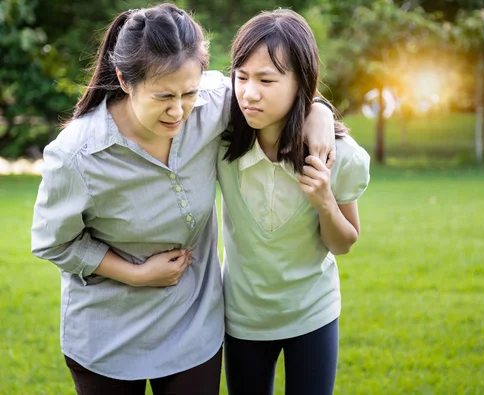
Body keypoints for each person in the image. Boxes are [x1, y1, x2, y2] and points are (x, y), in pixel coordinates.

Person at [30, 4, 334, 395]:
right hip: (106, 336)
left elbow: (275, 91)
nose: (178, 110)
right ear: (124, 79)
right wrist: (136, 273)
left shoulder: (211, 106)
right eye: (163, 96)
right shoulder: (76, 154)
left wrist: (319, 111)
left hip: (192, 328)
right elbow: (53, 241)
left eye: (188, 92)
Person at [218, 9, 371, 395]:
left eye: (267, 80)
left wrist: (324, 202)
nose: (249, 93)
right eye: (242, 77)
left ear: (301, 82)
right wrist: (319, 105)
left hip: (312, 314)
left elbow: (344, 243)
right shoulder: (219, 137)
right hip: (243, 318)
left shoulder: (340, 155)